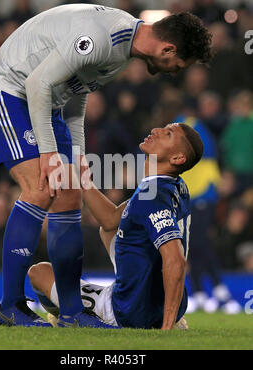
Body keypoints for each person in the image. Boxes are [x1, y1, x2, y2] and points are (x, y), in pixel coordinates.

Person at [0, 4, 212, 327]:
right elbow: (38, 82)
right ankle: (10, 306)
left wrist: (78, 155)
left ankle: (72, 310)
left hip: (46, 102)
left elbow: (75, 95)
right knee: (41, 188)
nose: (175, 71)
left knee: (70, 192)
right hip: (7, 89)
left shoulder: (122, 51)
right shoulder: (101, 39)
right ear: (168, 49)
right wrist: (48, 153)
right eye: (178, 64)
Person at [28, 122, 204, 330]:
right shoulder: (175, 186)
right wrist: (84, 181)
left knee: (38, 273)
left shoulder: (152, 197)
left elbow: (176, 260)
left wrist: (164, 330)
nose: (155, 131)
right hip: (159, 303)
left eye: (167, 134)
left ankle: (71, 318)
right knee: (109, 229)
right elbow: (110, 219)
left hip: (129, 312)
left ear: (177, 158)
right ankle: (168, 317)